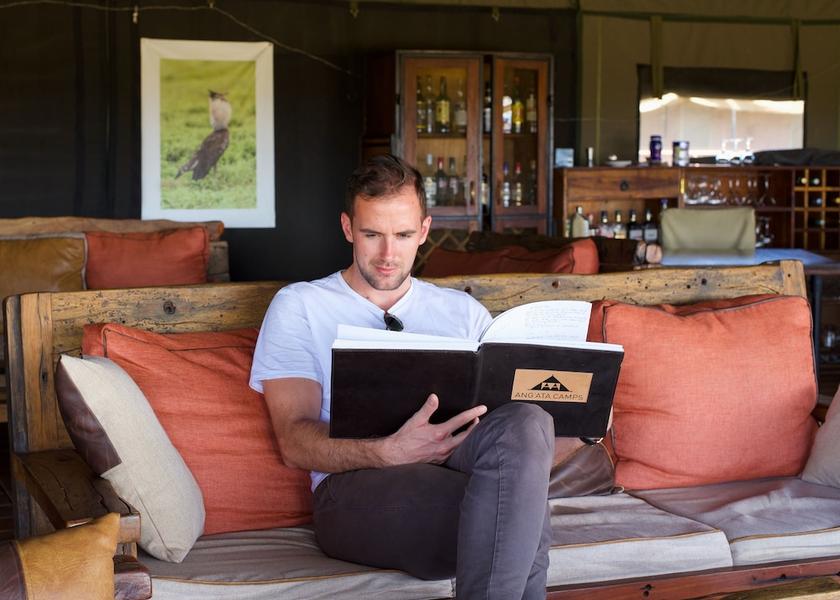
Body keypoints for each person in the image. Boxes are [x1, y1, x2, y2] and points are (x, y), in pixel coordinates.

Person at [250, 154, 554, 599]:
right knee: (519, 511)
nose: (389, 255)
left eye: (404, 235)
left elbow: (525, 454)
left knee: (529, 421)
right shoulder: (300, 305)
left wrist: (580, 427)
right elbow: (294, 442)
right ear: (348, 228)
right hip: (354, 490)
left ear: (425, 231)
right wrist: (388, 452)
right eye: (372, 234)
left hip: (462, 468)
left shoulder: (464, 313)